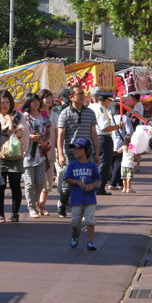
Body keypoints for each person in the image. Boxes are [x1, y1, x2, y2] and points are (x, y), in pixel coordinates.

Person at [56, 85, 100, 217]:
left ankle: (84, 208)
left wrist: (97, 152)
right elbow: (60, 136)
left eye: (83, 93)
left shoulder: (90, 112)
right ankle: (63, 203)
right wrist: (60, 154)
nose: (82, 96)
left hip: (87, 153)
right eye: (79, 94)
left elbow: (93, 134)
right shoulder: (65, 113)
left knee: (87, 180)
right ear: (71, 97)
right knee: (68, 182)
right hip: (71, 153)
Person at [0, 90, 26, 223]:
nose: (4, 105)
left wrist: (11, 122)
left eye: (7, 102)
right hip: (0, 156)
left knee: (15, 185)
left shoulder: (18, 116)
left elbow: (22, 133)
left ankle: (15, 213)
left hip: (16, 155)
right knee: (0, 186)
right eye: (1, 102)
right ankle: (0, 214)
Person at [64, 137, 100, 251]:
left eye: (79, 149)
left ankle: (90, 242)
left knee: (90, 220)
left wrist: (92, 186)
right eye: (74, 149)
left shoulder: (92, 166)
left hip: (89, 199)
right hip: (76, 199)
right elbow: (67, 178)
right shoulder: (72, 165)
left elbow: (97, 179)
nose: (75, 151)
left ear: (87, 151)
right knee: (75, 222)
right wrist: (78, 182)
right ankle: (75, 235)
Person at [88, 87, 124, 195]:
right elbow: (104, 127)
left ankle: (97, 186)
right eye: (110, 100)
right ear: (107, 100)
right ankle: (99, 187)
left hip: (94, 137)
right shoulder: (101, 109)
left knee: (96, 163)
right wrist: (117, 127)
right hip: (102, 138)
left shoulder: (91, 107)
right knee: (104, 164)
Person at [21, 93, 51, 218]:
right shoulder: (24, 116)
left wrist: (45, 141)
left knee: (40, 182)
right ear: (28, 103)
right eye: (33, 101)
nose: (36, 103)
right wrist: (29, 137)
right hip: (27, 154)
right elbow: (18, 133)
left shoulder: (43, 115)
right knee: (29, 183)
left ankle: (35, 202)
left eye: (37, 101)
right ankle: (31, 207)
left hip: (40, 153)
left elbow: (48, 132)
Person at [37, 88, 58, 215]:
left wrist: (58, 150)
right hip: (37, 152)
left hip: (50, 151)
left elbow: (57, 133)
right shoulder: (36, 114)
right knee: (38, 180)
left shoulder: (55, 115)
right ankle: (36, 205)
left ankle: (41, 206)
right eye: (46, 97)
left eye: (50, 96)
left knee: (48, 181)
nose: (49, 99)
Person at [109, 102, 132, 190]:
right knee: (118, 163)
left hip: (111, 143)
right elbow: (129, 132)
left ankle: (119, 183)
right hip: (121, 144)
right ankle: (113, 182)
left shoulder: (109, 118)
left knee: (113, 164)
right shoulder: (124, 118)